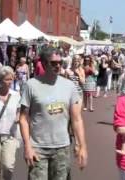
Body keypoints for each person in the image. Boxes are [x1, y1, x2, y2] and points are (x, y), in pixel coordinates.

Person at [19, 47, 87, 180]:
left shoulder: (69, 86)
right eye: (53, 63)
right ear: (43, 64)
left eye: (60, 63)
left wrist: (82, 145)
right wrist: (27, 146)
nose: (57, 66)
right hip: (38, 147)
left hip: (61, 147)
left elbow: (77, 119)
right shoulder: (31, 85)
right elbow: (23, 118)